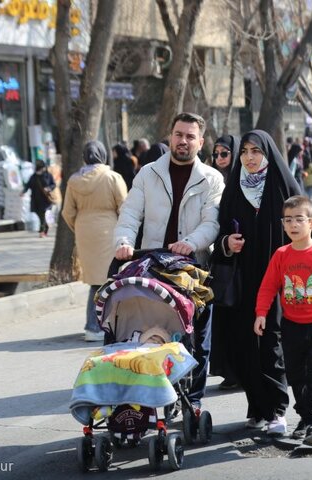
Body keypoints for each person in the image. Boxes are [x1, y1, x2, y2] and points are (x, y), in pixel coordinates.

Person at [113, 112, 225, 410]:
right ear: (170, 136)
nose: (183, 141)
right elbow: (130, 215)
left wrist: (191, 242)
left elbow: (212, 222)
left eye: (190, 136)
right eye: (179, 134)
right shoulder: (148, 173)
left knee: (198, 339)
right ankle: (148, 394)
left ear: (200, 142)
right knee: (152, 333)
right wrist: (123, 242)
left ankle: (195, 401)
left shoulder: (211, 179)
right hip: (153, 266)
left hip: (194, 269)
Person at [215, 129, 300, 435]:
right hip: (243, 278)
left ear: (267, 154)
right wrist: (228, 242)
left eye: (256, 151)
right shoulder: (234, 189)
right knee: (245, 342)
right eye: (245, 152)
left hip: (278, 278)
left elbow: (302, 229)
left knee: (271, 340)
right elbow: (220, 231)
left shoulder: (282, 186)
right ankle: (257, 407)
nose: (249, 158)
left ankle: (277, 409)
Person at [255, 195, 312, 446]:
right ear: (283, 224)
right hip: (291, 326)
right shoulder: (281, 255)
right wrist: (261, 313)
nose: (293, 224)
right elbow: (268, 286)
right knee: (296, 376)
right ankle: (305, 418)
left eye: (299, 219)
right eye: (288, 220)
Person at [62, 141, 127, 341]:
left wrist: (79, 227)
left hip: (84, 230)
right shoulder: (112, 177)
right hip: (108, 229)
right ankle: (96, 325)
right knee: (109, 277)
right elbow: (125, 206)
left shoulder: (74, 181)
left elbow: (67, 212)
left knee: (95, 280)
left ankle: (95, 325)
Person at [209, 134, 240, 389]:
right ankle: (230, 371)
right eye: (216, 154)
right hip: (223, 257)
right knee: (226, 316)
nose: (219, 159)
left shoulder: (244, 180)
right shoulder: (212, 181)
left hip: (245, 258)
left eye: (224, 154)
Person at [22, 159, 56, 237]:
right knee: (40, 215)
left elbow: (53, 184)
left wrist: (49, 188)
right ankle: (45, 228)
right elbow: (28, 185)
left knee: (42, 214)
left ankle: (42, 231)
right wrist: (23, 192)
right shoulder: (33, 176)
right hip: (35, 199)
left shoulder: (48, 175)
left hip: (45, 199)